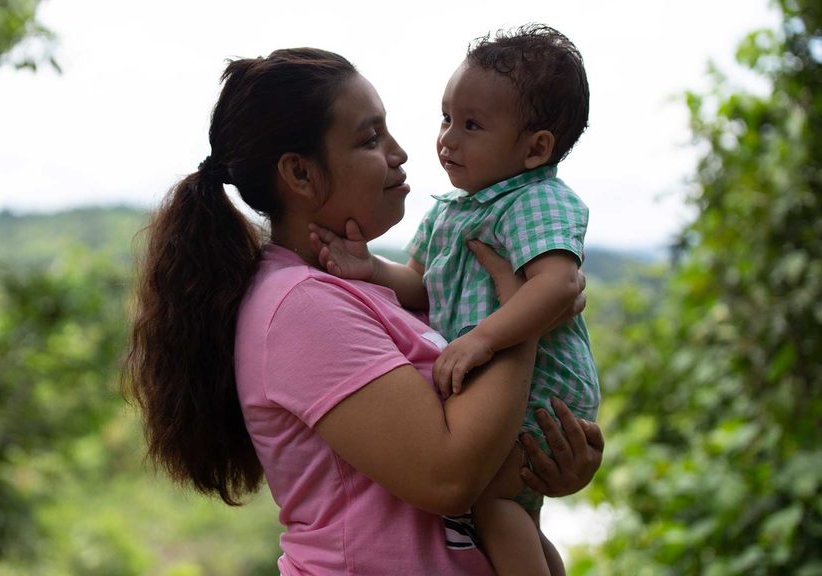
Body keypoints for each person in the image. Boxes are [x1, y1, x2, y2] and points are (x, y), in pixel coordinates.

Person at [123, 47, 603, 575]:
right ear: (300, 174)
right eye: (370, 138)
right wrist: (521, 316)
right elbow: (447, 477)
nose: (402, 153)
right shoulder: (300, 307)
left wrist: (542, 466)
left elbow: (476, 450)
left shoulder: (358, 291)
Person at [308, 25, 599, 575]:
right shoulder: (452, 209)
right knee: (514, 510)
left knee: (493, 500)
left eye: (472, 125)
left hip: (544, 384)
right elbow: (421, 280)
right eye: (446, 118)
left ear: (536, 148)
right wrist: (369, 267)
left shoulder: (535, 201)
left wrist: (483, 339)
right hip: (504, 377)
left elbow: (558, 285)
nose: (447, 139)